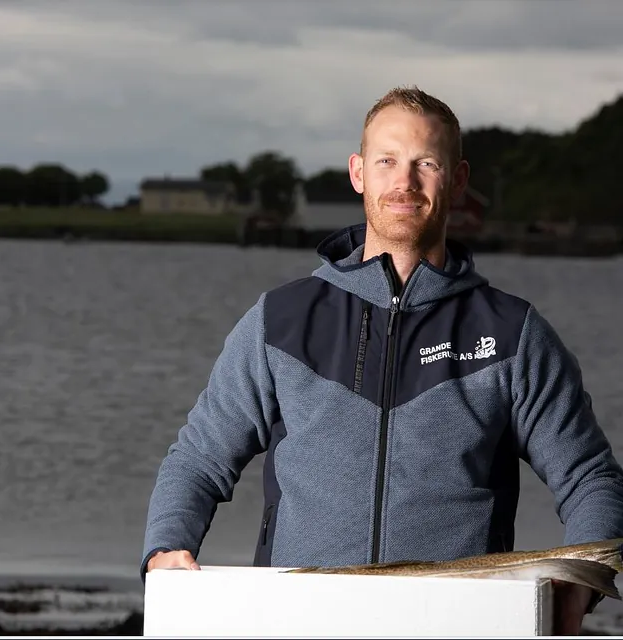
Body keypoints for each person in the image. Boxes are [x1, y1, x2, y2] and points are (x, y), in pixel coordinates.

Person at [142, 86, 623, 634]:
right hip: (296, 622)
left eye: (427, 163)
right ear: (358, 173)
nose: (405, 182)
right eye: (387, 161)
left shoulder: (513, 334)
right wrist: (166, 548)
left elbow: (590, 478)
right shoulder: (280, 321)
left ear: (458, 180)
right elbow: (199, 460)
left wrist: (582, 577)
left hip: (457, 625)